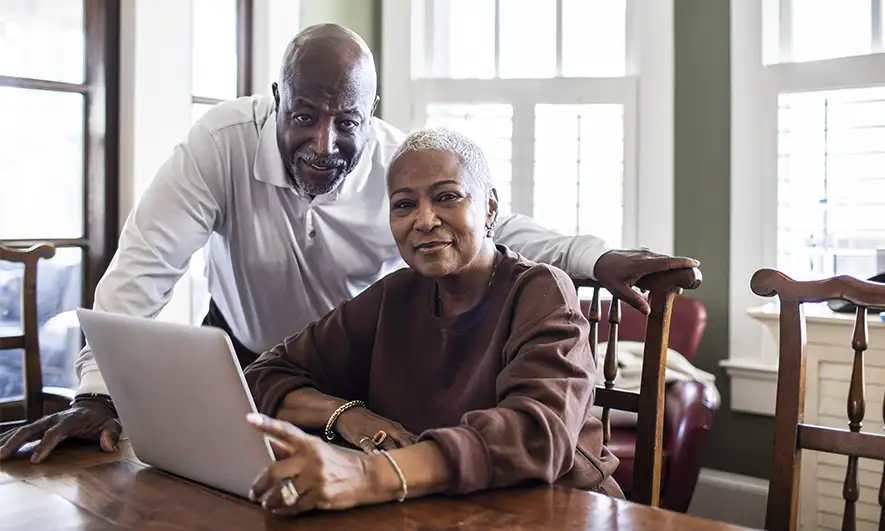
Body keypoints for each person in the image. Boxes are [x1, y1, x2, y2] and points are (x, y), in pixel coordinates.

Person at [0, 24, 697, 463]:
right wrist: (99, 393)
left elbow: (496, 228)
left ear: (373, 115)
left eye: (347, 121)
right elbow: (141, 272)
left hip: (351, 366)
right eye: (304, 115)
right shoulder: (219, 142)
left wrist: (595, 258)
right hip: (250, 356)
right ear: (276, 98)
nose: (324, 143)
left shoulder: (401, 166)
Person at [244, 128, 620, 515]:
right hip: (440, 508)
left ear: (490, 208)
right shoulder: (394, 295)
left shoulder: (540, 290)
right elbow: (264, 375)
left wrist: (372, 474)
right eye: (403, 205)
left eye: (447, 197)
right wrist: (347, 415)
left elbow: (536, 435)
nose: (424, 220)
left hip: (557, 510)